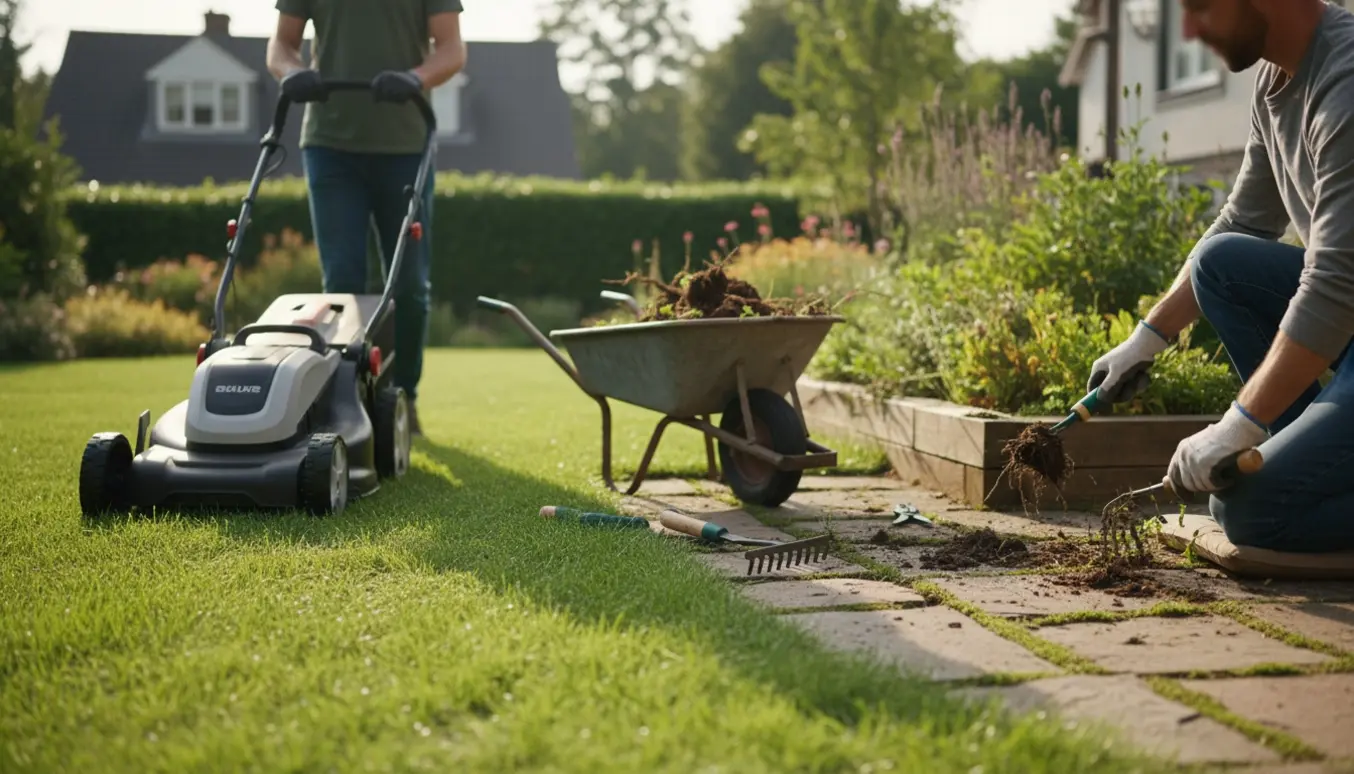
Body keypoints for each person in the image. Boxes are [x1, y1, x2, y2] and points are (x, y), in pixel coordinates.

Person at [1087, 0, 1354, 554]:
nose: (1188, 31)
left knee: (1252, 511)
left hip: (1346, 298)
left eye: (1202, 7)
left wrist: (1239, 425)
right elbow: (1243, 222)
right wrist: (1146, 339)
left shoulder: (1346, 80)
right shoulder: (1274, 79)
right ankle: (1316, 458)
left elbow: (1335, 283)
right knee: (1221, 262)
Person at [266, 0, 467, 435]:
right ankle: (348, 399)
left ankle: (404, 396)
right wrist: (292, 72)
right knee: (342, 282)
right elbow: (281, 44)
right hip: (330, 145)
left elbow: (452, 49)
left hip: (405, 146)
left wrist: (415, 78)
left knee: (409, 284)